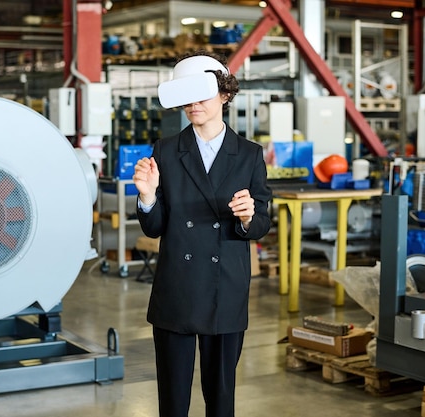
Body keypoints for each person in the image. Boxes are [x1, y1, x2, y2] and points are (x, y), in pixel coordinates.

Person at [132, 50, 272, 417]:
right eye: (185, 97)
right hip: (177, 287)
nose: (193, 105)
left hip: (224, 288)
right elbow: (155, 226)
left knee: (221, 396)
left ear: (225, 94)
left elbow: (260, 225)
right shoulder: (165, 151)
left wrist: (248, 216)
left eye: (203, 95)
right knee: (173, 400)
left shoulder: (249, 155)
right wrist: (147, 198)